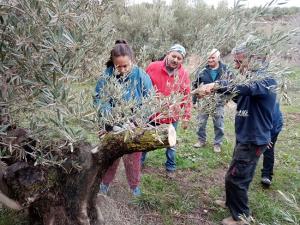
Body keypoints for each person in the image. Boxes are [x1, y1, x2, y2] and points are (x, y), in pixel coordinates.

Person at [195, 38, 277, 225]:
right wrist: (214, 91)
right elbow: (239, 94)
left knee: (236, 178)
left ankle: (241, 217)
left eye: (239, 61)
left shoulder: (266, 78)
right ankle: (231, 202)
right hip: (246, 137)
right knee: (238, 173)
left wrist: (216, 85)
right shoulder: (250, 79)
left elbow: (247, 88)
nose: (236, 65)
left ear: (254, 59)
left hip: (253, 139)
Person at [94, 40, 153, 196]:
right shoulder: (106, 76)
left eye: (126, 66)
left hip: (135, 125)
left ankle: (134, 186)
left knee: (133, 159)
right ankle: (104, 184)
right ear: (113, 64)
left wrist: (139, 120)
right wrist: (110, 119)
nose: (122, 69)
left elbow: (150, 100)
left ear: (132, 61)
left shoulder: (141, 75)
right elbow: (99, 100)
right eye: (118, 66)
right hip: (112, 125)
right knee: (110, 156)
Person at [141, 44, 191, 176]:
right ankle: (139, 163)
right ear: (168, 54)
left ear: (182, 60)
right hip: (152, 113)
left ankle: (171, 168)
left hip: (171, 115)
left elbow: (187, 95)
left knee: (171, 144)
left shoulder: (183, 74)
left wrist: (186, 116)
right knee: (144, 139)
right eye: (173, 56)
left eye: (179, 58)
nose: (175, 60)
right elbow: (142, 85)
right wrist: (149, 96)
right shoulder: (153, 66)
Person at [192, 49, 232, 153]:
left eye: (212, 57)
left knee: (219, 124)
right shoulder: (202, 70)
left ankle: (217, 143)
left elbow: (231, 85)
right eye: (208, 57)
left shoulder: (226, 69)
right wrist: (194, 101)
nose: (210, 60)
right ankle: (201, 140)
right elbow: (195, 85)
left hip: (218, 101)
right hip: (204, 100)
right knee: (201, 122)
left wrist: (227, 99)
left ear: (218, 58)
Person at [261, 102, 283, 186]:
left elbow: (275, 121)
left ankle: (266, 175)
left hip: (274, 126)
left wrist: (268, 137)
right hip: (260, 124)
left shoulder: (269, 99)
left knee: (268, 148)